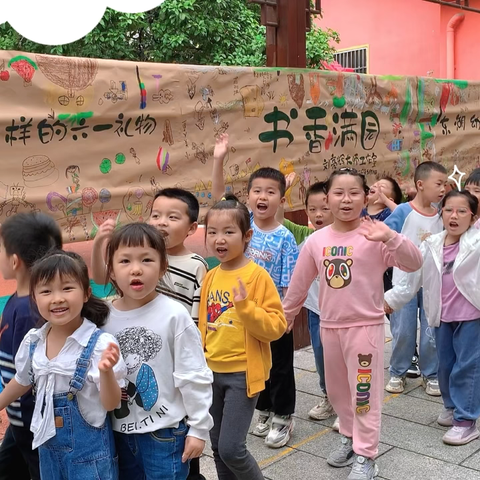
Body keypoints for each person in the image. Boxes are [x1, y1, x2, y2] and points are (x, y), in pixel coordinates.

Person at [283, 168, 422, 480]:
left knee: (363, 395)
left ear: (365, 196)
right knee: (337, 392)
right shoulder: (316, 241)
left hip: (365, 329)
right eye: (338, 193)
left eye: (354, 193)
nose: (346, 200)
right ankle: (349, 435)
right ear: (327, 198)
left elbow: (414, 262)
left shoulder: (375, 233)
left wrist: (391, 236)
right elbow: (299, 284)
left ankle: (366, 455)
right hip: (329, 328)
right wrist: (286, 316)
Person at [92, 188, 208, 479]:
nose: (136, 270)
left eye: (146, 260)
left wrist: (199, 428)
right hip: (117, 433)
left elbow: (194, 374)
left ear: (162, 266)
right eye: (125, 261)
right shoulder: (103, 317)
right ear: (112, 270)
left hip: (165, 433)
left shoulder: (173, 315)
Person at [0, 250, 126, 479]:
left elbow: (111, 403)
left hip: (90, 458)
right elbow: (22, 380)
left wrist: (106, 372)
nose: (57, 298)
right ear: (34, 298)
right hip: (47, 452)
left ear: (86, 293)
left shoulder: (98, 345)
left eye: (67, 288)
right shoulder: (34, 341)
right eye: (46, 291)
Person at [212, 134, 298, 448]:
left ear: (281, 199)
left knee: (280, 367)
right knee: (254, 363)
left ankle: (283, 416)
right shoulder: (242, 223)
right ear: (248, 197)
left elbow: (291, 281)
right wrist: (219, 158)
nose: (263, 196)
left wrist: (288, 313)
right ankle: (262, 409)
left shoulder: (285, 238)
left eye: (271, 192)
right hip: (240, 311)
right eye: (257, 191)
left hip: (272, 313)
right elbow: (221, 200)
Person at [198, 194, 286, 479]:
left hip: (242, 375)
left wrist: (246, 308)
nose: (219, 239)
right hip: (211, 373)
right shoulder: (210, 276)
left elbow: (276, 326)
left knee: (231, 448)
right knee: (216, 446)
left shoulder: (257, 277)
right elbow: (204, 323)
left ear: (246, 236)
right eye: (212, 232)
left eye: (228, 232)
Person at [385, 190, 480, 446]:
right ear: (441, 213)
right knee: (445, 365)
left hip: (473, 316)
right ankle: (451, 407)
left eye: (462, 211)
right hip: (441, 315)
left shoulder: (477, 241)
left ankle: (466, 421)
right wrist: (391, 300)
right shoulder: (432, 243)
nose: (454, 215)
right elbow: (411, 277)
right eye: (448, 210)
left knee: (467, 368)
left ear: (473, 218)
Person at [0, 212, 63, 480]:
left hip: (31, 421)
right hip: (19, 419)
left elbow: (28, 374)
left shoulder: (29, 312)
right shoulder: (20, 300)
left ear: (14, 261)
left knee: (41, 471)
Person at [277, 179, 338, 426]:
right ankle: (329, 397)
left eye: (324, 208)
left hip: (344, 314)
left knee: (343, 359)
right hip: (316, 311)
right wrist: (283, 191)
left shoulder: (350, 237)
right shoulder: (306, 235)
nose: (318, 214)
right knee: (322, 358)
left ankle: (348, 405)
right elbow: (278, 220)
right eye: (312, 209)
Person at [384, 161, 447, 395]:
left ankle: (430, 373)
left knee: (431, 330)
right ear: (420, 185)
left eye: (446, 184)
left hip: (433, 282)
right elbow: (386, 238)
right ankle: (397, 372)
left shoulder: (442, 213)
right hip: (404, 281)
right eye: (438, 183)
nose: (443, 188)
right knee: (403, 329)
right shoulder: (403, 212)